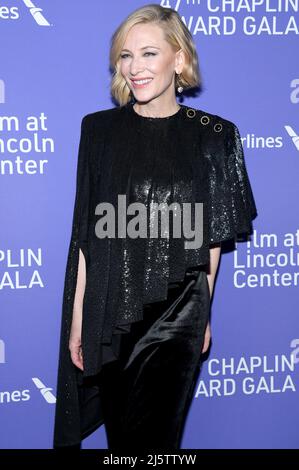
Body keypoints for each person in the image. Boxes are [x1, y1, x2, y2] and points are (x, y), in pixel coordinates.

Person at [53, 4, 258, 450]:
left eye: (148, 53)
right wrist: (77, 321)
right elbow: (88, 235)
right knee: (123, 443)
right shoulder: (99, 131)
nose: (135, 67)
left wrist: (204, 313)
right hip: (109, 311)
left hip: (178, 313)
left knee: (157, 443)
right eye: (125, 56)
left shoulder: (215, 135)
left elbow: (211, 239)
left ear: (179, 59)